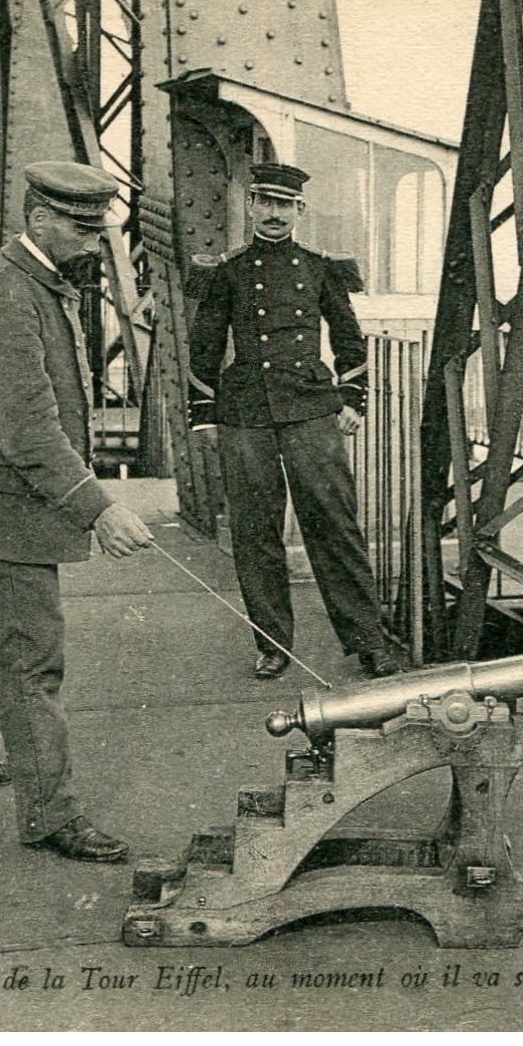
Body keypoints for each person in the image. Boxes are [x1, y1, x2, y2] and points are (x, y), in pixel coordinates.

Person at [0, 161, 155, 862]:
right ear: (38, 218)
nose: (93, 241)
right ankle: (53, 816)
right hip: (5, 508)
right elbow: (28, 432)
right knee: (31, 661)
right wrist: (97, 509)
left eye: (97, 228)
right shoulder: (10, 296)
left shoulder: (32, 281)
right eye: (81, 228)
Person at [185, 162, 399, 681]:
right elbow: (204, 346)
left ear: (300, 210)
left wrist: (351, 399)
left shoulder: (321, 268)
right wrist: (204, 416)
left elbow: (349, 340)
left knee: (335, 525)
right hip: (246, 414)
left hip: (310, 409)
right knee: (254, 532)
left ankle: (369, 641)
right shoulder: (227, 270)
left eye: (285, 204)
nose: (275, 213)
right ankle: (273, 645)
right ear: (251, 207)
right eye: (266, 202)